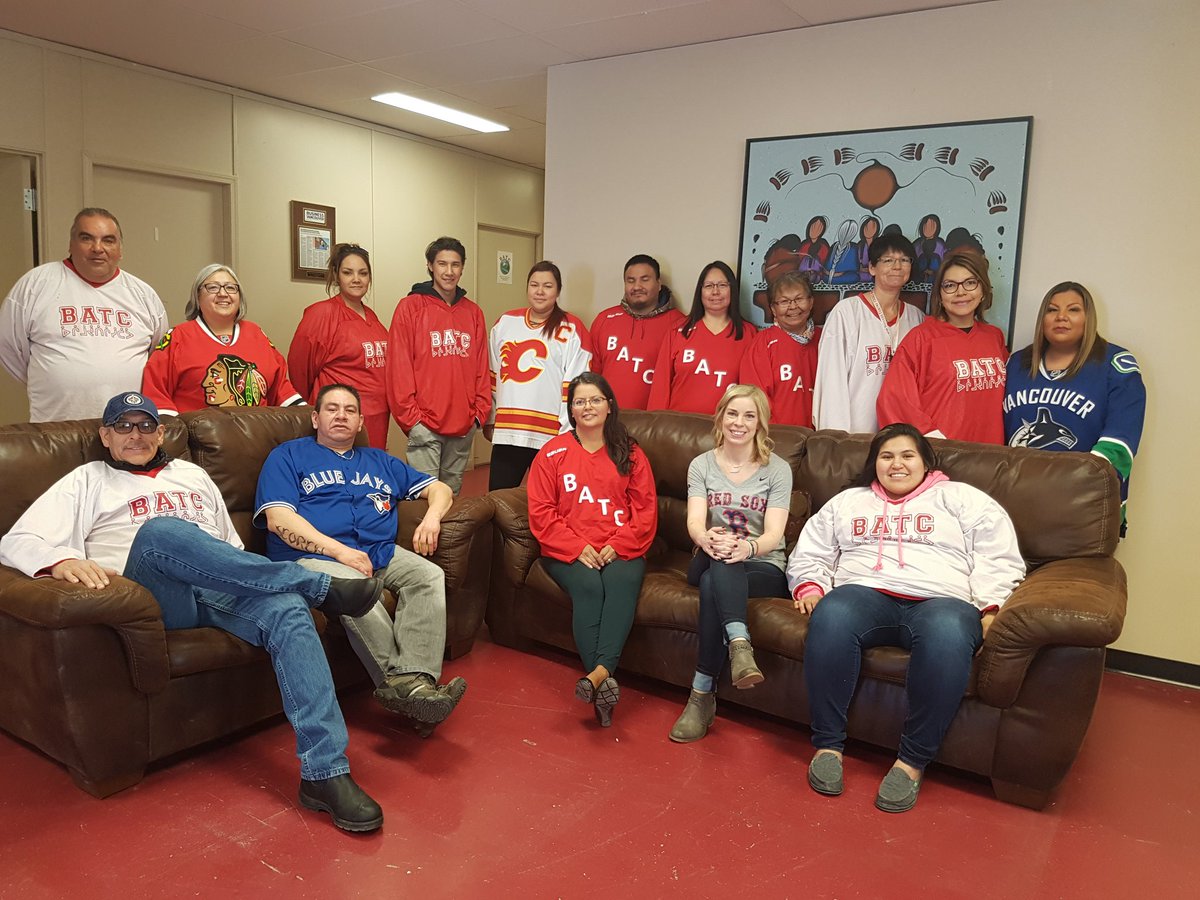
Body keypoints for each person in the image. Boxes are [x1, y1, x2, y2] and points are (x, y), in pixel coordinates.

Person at [0, 392, 388, 832]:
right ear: (105, 435)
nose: (135, 435)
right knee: (163, 531)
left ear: (160, 432)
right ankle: (319, 586)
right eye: (123, 426)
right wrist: (61, 561)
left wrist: (247, 581)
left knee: (287, 609)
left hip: (218, 585)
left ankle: (325, 773)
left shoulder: (192, 475)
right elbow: (16, 540)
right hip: (152, 594)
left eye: (145, 425)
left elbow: (231, 548)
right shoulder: (86, 480)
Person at [786, 423, 1024, 812]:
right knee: (832, 615)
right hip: (865, 592)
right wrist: (811, 585)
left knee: (948, 635)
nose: (897, 464)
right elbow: (812, 548)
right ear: (874, 463)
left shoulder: (961, 498)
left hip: (942, 599)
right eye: (886, 456)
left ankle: (912, 762)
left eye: (907, 455)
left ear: (926, 461)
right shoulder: (848, 502)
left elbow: (997, 556)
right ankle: (827, 745)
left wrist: (990, 606)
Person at [255, 383, 467, 736]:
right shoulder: (288, 456)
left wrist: (431, 518)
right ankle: (410, 691)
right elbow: (278, 519)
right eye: (332, 408)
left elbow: (440, 489)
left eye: (350, 410)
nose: (341, 415)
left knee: (427, 574)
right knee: (357, 586)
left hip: (378, 551)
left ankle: (417, 682)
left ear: (359, 422)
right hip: (310, 557)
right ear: (315, 417)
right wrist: (339, 551)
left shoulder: (380, 461)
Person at [526, 373, 657, 727]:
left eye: (595, 399)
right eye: (580, 401)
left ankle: (597, 678)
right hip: (567, 549)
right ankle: (604, 681)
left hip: (621, 547)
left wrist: (617, 544)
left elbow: (644, 511)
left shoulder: (629, 452)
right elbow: (541, 512)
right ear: (571, 410)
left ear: (609, 405)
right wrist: (576, 545)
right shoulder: (552, 453)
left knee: (619, 583)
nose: (588, 407)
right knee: (588, 586)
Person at [669, 385, 792, 743]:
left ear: (760, 423)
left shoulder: (777, 470)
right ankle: (739, 645)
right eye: (733, 413)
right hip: (709, 555)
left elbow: (773, 534)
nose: (739, 422)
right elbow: (694, 521)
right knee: (719, 558)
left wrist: (747, 547)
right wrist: (706, 538)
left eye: (749, 415)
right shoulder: (701, 465)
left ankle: (701, 695)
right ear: (720, 417)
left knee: (714, 581)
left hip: (762, 564)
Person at [1003, 282, 1145, 534]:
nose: (1061, 317)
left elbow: (1120, 442)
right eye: (1052, 309)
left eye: (1073, 310)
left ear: (1088, 317)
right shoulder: (1017, 363)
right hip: (1018, 501)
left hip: (1082, 507)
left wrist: (1072, 487)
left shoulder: (1115, 364)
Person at [0, 208, 167, 422]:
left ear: (120, 249)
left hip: (128, 430)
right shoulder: (36, 284)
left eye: (108, 240)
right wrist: (53, 378)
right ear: (71, 244)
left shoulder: (143, 294)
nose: (98, 248)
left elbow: (158, 357)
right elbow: (9, 348)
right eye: (87, 238)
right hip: (56, 428)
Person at [387, 236, 489, 494]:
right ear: (430, 266)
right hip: (424, 425)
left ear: (462, 268)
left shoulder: (473, 313)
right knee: (424, 500)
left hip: (462, 425)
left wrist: (478, 414)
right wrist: (411, 420)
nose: (449, 271)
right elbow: (398, 367)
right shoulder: (410, 307)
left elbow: (481, 366)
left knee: (451, 500)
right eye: (442, 264)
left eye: (455, 265)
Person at [876, 249, 1008, 443]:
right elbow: (894, 400)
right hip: (943, 455)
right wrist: (933, 441)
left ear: (983, 290)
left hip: (992, 456)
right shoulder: (921, 339)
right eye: (950, 285)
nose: (961, 292)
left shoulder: (994, 337)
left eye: (970, 283)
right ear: (940, 294)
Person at [485, 261, 592, 490]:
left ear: (558, 291)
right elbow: (493, 376)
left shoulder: (572, 328)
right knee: (498, 499)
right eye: (534, 285)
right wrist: (491, 418)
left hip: (550, 434)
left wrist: (568, 431)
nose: (540, 291)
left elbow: (577, 387)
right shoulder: (505, 323)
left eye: (547, 286)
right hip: (509, 432)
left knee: (548, 502)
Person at [141, 264, 302, 414]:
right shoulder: (177, 337)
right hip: (195, 439)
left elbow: (281, 389)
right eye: (212, 287)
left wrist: (307, 413)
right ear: (197, 296)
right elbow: (156, 392)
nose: (223, 294)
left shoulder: (256, 334)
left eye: (231, 288)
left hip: (256, 437)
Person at [812, 234, 925, 433]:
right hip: (856, 433)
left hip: (901, 434)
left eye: (904, 260)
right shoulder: (847, 312)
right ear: (872, 268)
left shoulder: (916, 318)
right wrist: (836, 440)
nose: (897, 266)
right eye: (888, 260)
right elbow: (832, 381)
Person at [288, 244, 390, 448]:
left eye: (363, 273)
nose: (356, 279)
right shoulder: (322, 314)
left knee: (368, 474)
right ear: (336, 275)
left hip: (376, 417)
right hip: (340, 419)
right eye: (348, 272)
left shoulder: (372, 316)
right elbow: (300, 371)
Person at [647, 261, 755, 415]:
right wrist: (656, 423)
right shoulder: (678, 330)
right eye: (709, 286)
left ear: (733, 290)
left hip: (726, 429)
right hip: (677, 429)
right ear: (700, 291)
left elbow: (751, 394)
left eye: (722, 285)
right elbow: (660, 385)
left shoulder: (749, 334)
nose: (715, 291)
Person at [589, 254, 686, 410]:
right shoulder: (605, 319)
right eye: (631, 280)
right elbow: (592, 377)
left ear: (659, 284)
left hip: (653, 425)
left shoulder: (679, 325)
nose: (636, 287)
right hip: (606, 420)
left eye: (645, 280)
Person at [739, 272, 821, 427]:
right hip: (778, 436)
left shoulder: (826, 340)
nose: (793, 307)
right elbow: (754, 397)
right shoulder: (763, 343)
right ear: (773, 309)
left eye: (799, 299)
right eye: (784, 301)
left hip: (819, 438)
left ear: (811, 302)